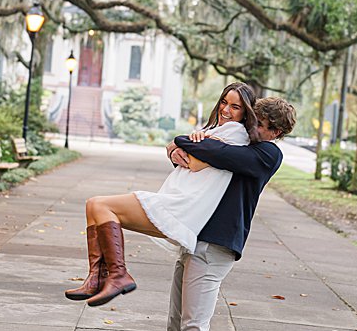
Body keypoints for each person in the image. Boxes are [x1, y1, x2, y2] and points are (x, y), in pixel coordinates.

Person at [140, 96, 297, 331]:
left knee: (194, 329)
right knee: (175, 325)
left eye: (261, 125)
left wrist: (183, 141)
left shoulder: (266, 154)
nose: (252, 129)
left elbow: (217, 155)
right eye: (253, 122)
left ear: (276, 131)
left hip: (216, 248)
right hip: (196, 240)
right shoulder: (240, 141)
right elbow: (199, 159)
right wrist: (179, 148)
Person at [65, 83, 259, 307]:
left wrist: (183, 145)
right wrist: (181, 146)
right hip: (177, 201)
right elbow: (182, 151)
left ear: (246, 112)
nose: (226, 110)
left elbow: (194, 163)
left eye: (235, 107)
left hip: (181, 206)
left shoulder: (235, 132)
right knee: (93, 206)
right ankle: (96, 278)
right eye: (224, 102)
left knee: (100, 206)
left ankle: (118, 275)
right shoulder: (217, 131)